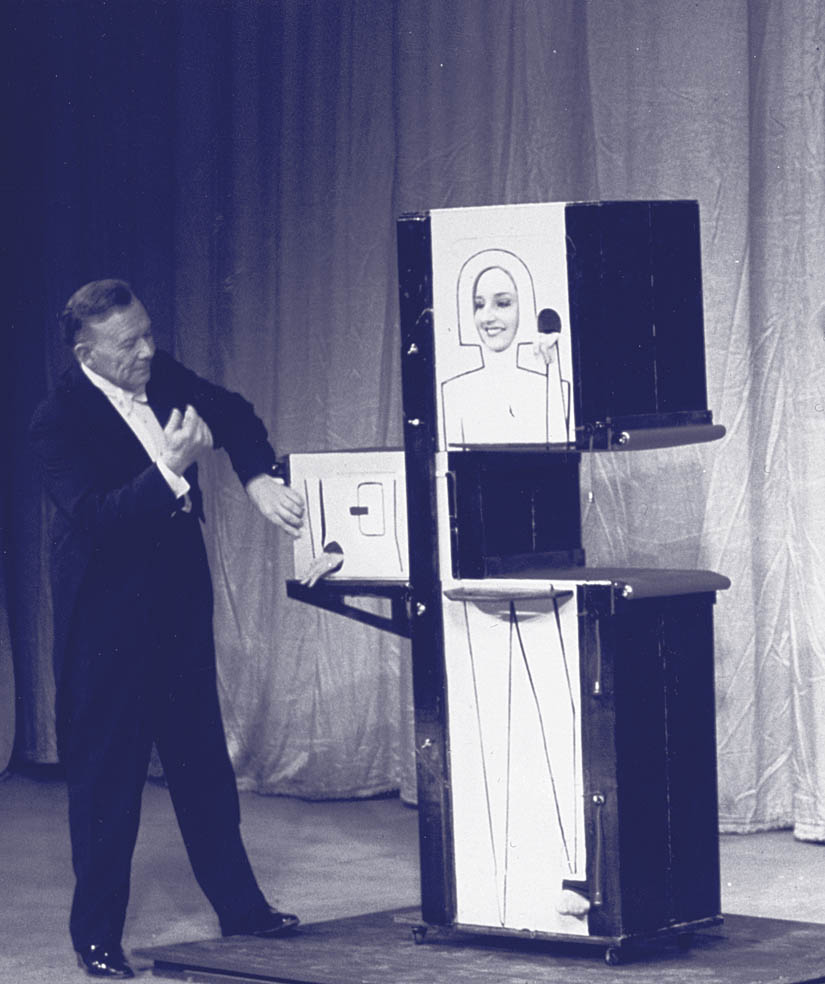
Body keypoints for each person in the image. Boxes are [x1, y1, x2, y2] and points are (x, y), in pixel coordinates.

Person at [29, 279, 306, 979]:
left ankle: (242, 911)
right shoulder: (57, 421)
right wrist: (171, 466)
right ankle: (96, 939)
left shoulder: (160, 372)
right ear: (87, 353)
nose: (148, 351)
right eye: (130, 343)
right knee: (108, 787)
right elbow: (97, 519)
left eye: (149, 333)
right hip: (106, 627)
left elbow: (233, 413)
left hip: (176, 607)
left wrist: (256, 479)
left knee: (202, 767)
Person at [439, 249, 569, 447]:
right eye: (479, 305)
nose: (487, 317)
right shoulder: (454, 392)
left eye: (502, 303)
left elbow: (561, 452)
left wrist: (553, 367)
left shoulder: (552, 385)